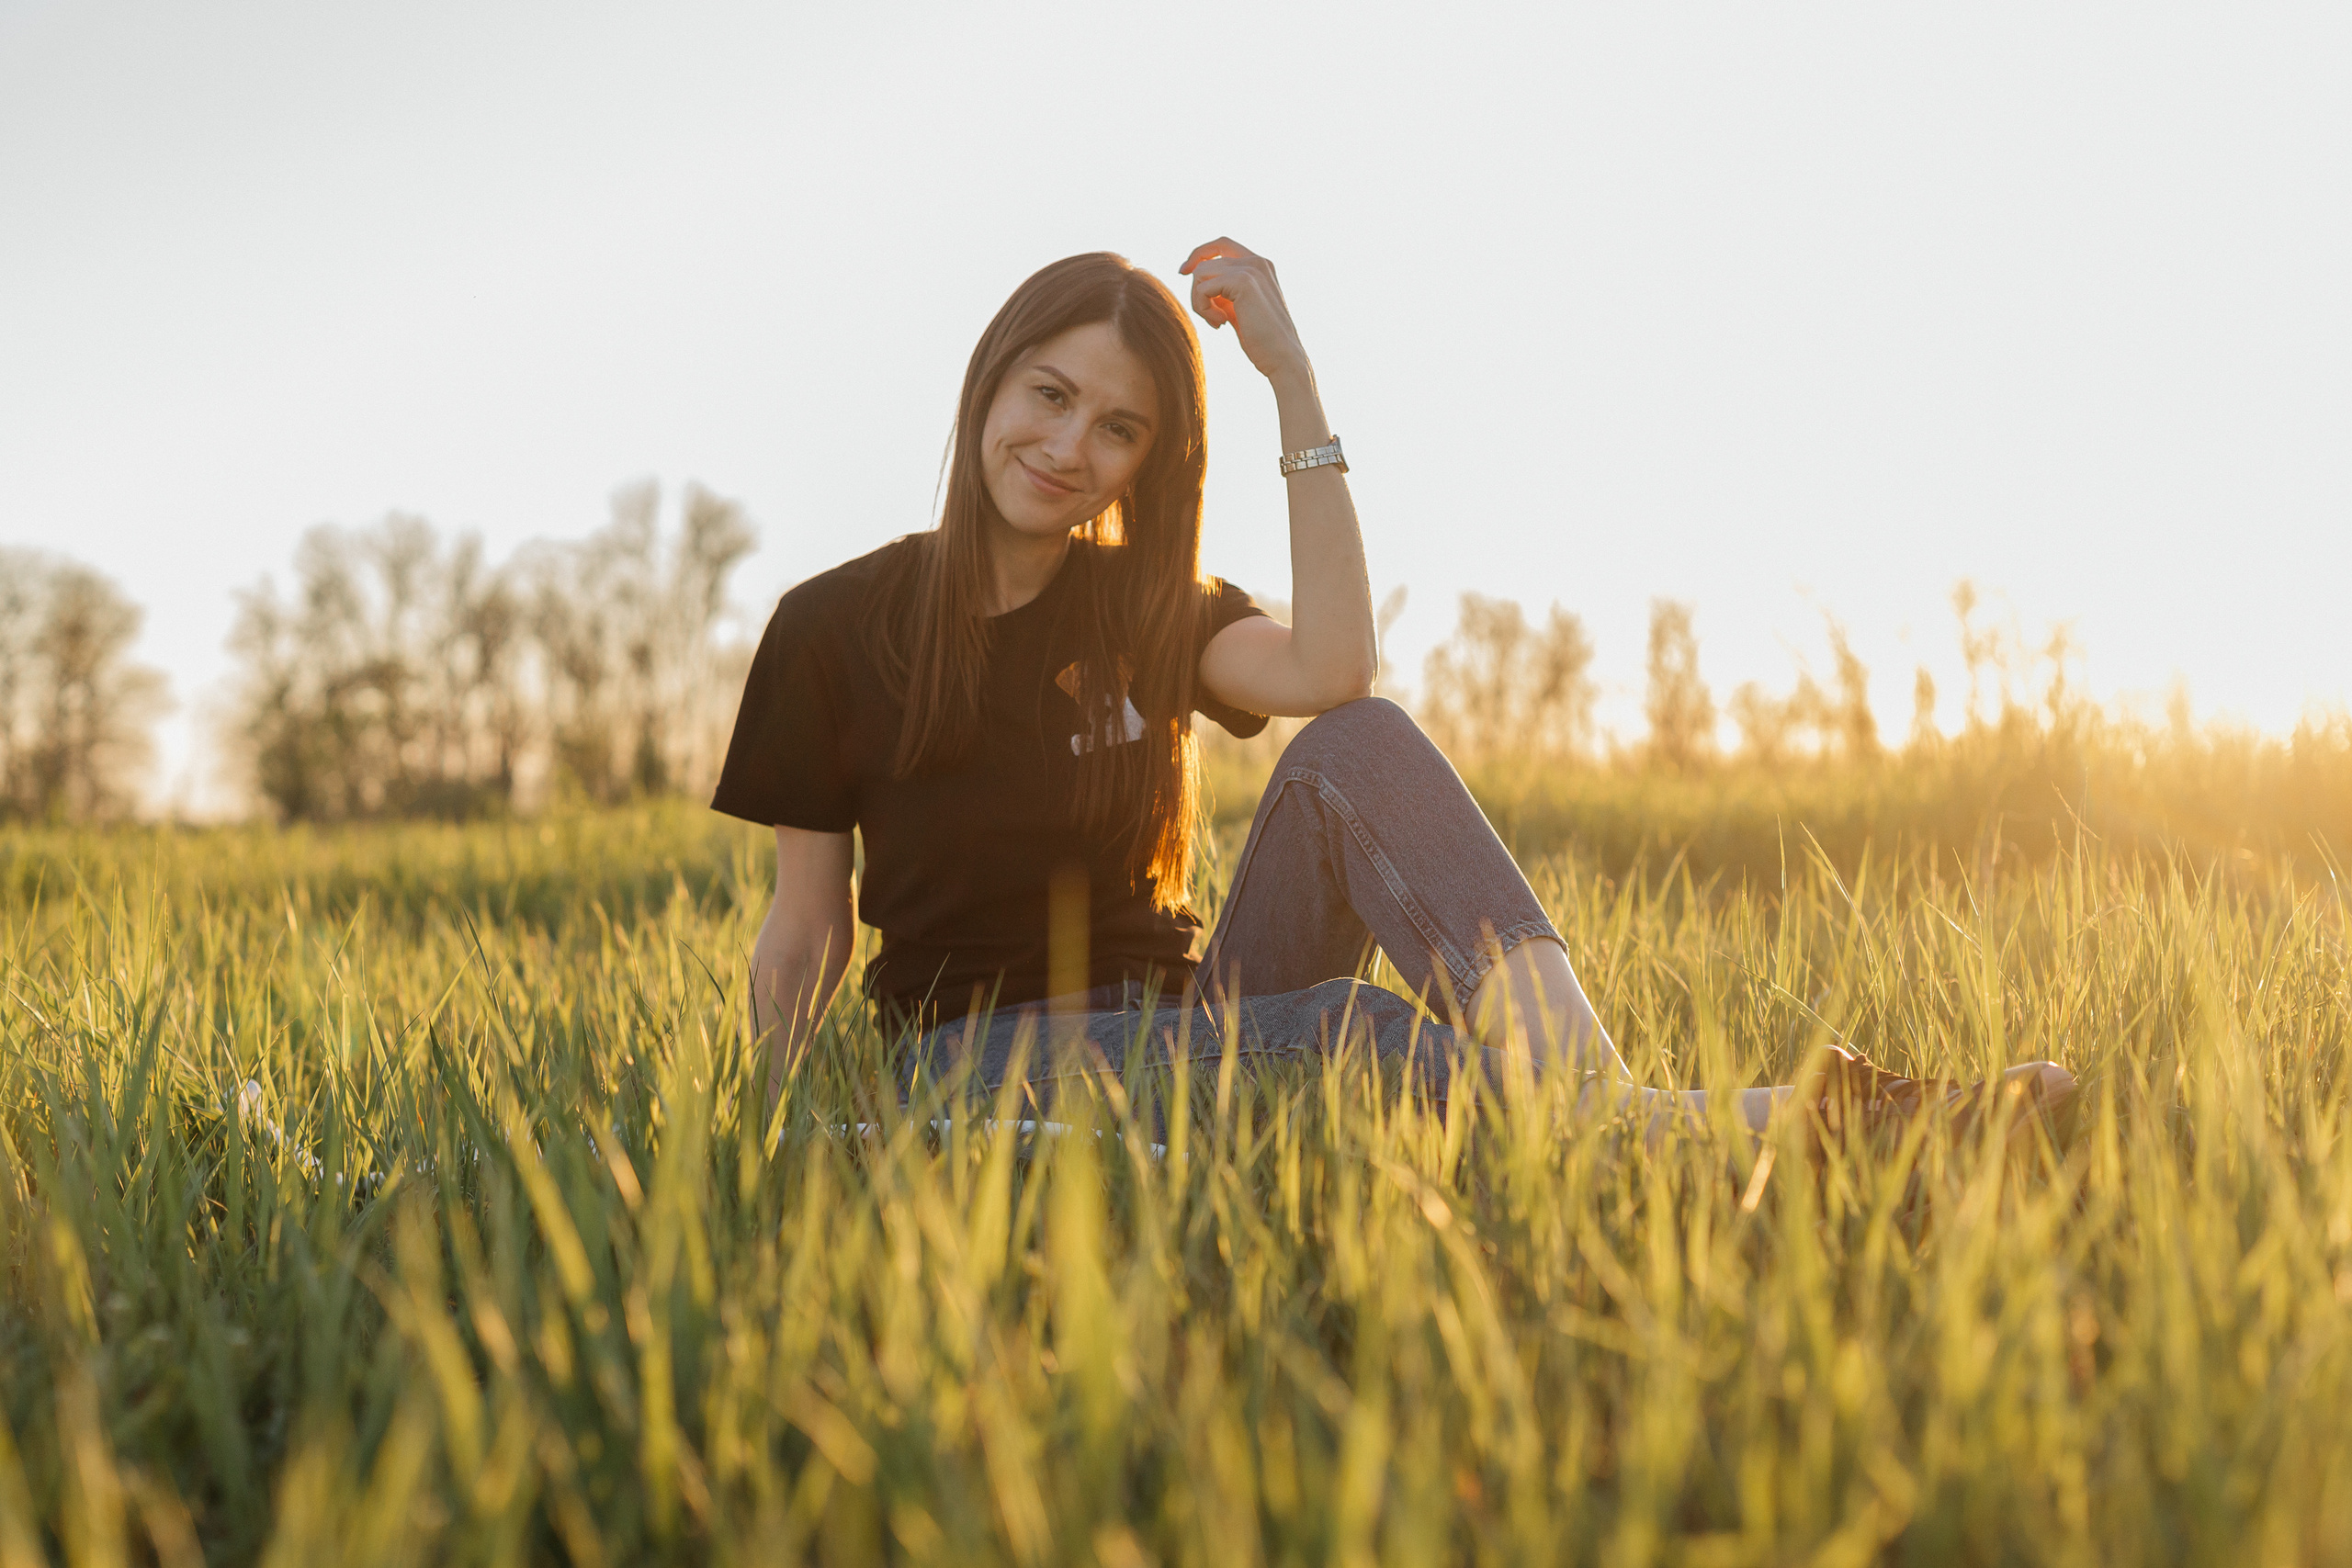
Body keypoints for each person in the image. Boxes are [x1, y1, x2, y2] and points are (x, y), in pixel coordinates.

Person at [711, 239, 2075, 1146]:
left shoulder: (1138, 610)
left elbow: (1333, 674)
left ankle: (1606, 1116)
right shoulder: (835, 628)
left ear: (1147, 460)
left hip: (1180, 1020)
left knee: (1358, 742)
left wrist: (1294, 381)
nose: (1069, 447)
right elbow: (806, 930)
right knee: (1356, 1034)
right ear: (988, 384)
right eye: (1050, 395)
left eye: (1117, 427)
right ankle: (1769, 1130)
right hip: (977, 1057)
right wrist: (771, 1135)